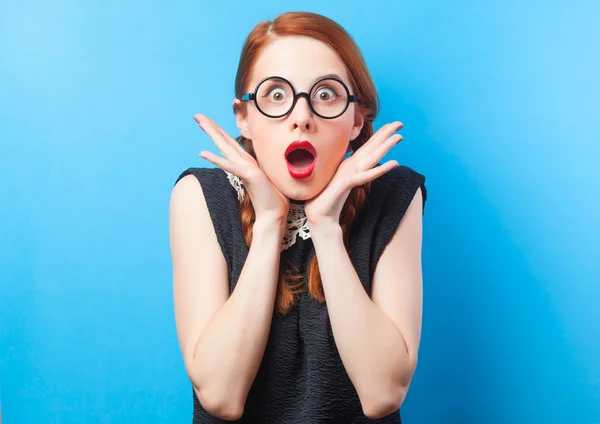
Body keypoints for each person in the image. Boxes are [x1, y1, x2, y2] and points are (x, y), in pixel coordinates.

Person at [169, 11, 427, 423]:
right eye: (276, 95)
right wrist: (271, 220)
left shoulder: (395, 195)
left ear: (356, 119)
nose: (301, 116)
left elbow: (382, 394)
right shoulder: (201, 196)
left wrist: (325, 226)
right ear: (244, 117)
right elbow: (221, 396)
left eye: (325, 94)